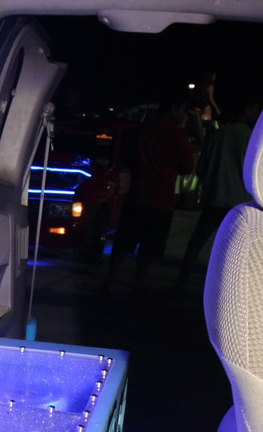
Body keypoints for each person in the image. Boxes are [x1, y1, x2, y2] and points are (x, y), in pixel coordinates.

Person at [102, 90, 194, 290]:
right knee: (149, 246)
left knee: (123, 241)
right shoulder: (178, 135)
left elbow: (128, 157)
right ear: (174, 109)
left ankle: (109, 280)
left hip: (137, 195)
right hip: (161, 199)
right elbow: (187, 167)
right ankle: (139, 283)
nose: (184, 115)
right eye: (183, 110)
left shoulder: (144, 129)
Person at [175, 94, 261, 292]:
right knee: (236, 252)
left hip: (214, 199)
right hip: (239, 205)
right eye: (255, 109)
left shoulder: (217, 135)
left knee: (196, 245)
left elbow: (201, 169)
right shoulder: (249, 138)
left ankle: (181, 284)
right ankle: (229, 292)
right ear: (247, 109)